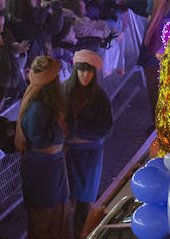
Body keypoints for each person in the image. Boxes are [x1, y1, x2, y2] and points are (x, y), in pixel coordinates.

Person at [17, 56, 72, 238]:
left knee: (57, 215)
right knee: (44, 219)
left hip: (52, 167)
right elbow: (39, 139)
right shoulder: (37, 107)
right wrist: (60, 132)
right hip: (42, 171)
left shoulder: (47, 104)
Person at [64, 50, 113, 235]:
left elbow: (107, 127)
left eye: (89, 71)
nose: (85, 75)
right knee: (64, 198)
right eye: (82, 70)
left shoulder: (100, 97)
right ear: (75, 70)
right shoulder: (63, 91)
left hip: (89, 156)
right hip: (67, 153)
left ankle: (81, 234)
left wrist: (81, 135)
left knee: (84, 199)